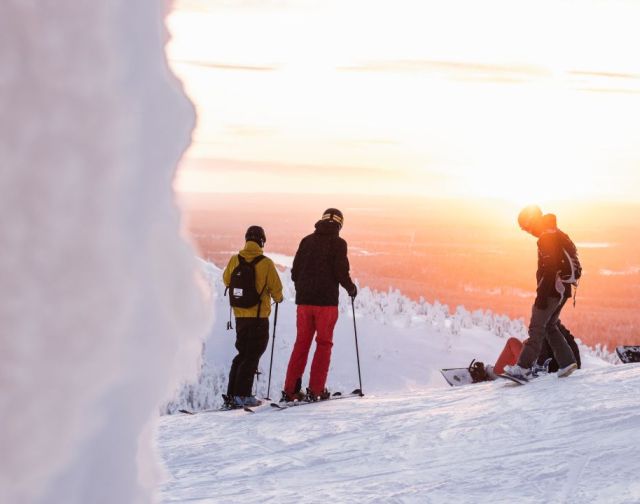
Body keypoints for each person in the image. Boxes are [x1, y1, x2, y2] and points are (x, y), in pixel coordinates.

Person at [282, 208, 357, 402]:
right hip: (326, 304)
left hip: (304, 303)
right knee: (323, 345)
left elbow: (294, 273)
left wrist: (304, 288)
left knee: (301, 344)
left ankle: (290, 391)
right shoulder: (339, 244)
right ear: (340, 224)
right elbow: (341, 272)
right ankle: (315, 390)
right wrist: (351, 288)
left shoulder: (307, 241)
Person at [502, 205, 580, 381]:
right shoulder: (557, 233)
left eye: (525, 227)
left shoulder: (546, 238)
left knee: (536, 328)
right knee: (550, 326)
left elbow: (549, 269)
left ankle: (523, 368)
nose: (527, 231)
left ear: (531, 222)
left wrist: (542, 296)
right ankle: (567, 362)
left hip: (551, 290)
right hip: (564, 288)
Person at [223, 225, 283, 408]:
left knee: (242, 353)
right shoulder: (266, 263)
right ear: (262, 241)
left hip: (240, 316)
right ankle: (243, 395)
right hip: (258, 317)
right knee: (253, 354)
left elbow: (227, 279)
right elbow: (276, 290)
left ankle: (232, 394)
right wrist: (278, 298)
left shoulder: (235, 259)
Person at [468, 321, 582, 383]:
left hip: (542, 368)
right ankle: (498, 370)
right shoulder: (560, 330)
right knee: (523, 344)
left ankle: (493, 373)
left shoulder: (547, 325)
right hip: (558, 365)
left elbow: (542, 352)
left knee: (512, 342)